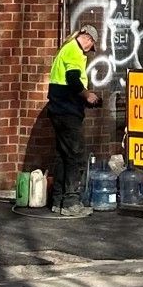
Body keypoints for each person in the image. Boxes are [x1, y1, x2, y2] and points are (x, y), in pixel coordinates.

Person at [44, 26, 98, 211]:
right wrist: (87, 96)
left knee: (63, 156)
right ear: (88, 38)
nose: (90, 50)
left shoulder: (65, 49)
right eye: (91, 45)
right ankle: (71, 202)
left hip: (57, 109)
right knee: (75, 156)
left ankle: (58, 200)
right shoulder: (74, 51)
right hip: (67, 112)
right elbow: (73, 79)